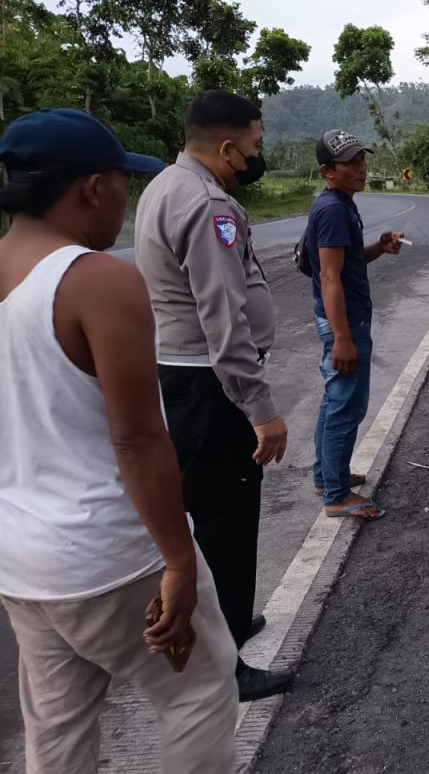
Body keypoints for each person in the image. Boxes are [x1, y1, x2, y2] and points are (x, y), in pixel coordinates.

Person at [0, 108, 237, 773]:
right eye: (122, 183)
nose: (125, 199)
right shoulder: (97, 281)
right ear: (92, 187)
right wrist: (179, 561)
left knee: (57, 724)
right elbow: (137, 439)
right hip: (110, 555)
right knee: (199, 690)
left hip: (21, 560)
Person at [134, 91, 294, 701]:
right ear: (227, 147)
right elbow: (223, 318)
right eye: (253, 146)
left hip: (182, 378)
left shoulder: (164, 186)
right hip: (210, 384)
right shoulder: (207, 205)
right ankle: (227, 666)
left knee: (203, 514)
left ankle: (226, 621)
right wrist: (261, 409)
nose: (255, 157)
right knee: (227, 522)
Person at [306, 129, 402, 519]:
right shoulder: (332, 209)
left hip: (345, 320)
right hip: (345, 323)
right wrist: (343, 337)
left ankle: (327, 476)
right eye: (350, 163)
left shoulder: (341, 204)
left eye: (362, 159)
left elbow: (346, 263)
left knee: (335, 402)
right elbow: (329, 276)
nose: (361, 168)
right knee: (346, 407)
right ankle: (336, 495)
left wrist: (379, 247)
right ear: (328, 171)